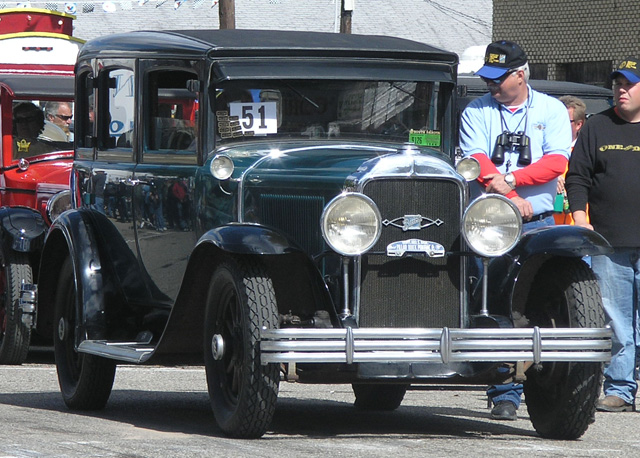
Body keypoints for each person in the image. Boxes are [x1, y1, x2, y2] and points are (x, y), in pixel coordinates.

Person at [459, 40, 572, 421]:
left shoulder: (551, 109)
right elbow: (474, 158)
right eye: (487, 79)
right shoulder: (476, 109)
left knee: (536, 303)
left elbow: (556, 161)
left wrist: (513, 181)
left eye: (498, 78)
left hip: (535, 220)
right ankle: (502, 388)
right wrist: (507, 194)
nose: (491, 85)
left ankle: (547, 385)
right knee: (491, 300)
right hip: (489, 220)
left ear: (520, 75)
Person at [565, 57, 640, 413]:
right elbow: (577, 176)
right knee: (618, 322)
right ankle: (620, 389)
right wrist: (581, 219)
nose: (620, 90)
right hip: (609, 243)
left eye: (628, 84)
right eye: (616, 85)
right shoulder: (598, 126)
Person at [554, 95, 587, 225]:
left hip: (578, 225)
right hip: (548, 225)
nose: (557, 125)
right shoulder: (539, 151)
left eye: (564, 121)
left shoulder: (586, 152)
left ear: (579, 124)